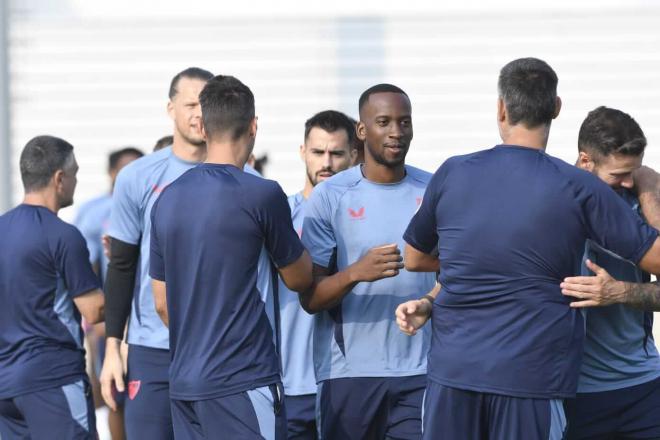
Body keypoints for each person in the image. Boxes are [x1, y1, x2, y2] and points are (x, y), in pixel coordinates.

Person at [397, 57, 660, 440]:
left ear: (501, 108)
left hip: (453, 374)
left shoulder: (452, 171)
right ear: (556, 108)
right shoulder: (578, 186)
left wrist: (449, 286)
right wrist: (650, 190)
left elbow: (414, 257)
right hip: (531, 380)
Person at [149, 74, 312, 439]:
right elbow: (300, 279)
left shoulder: (167, 198)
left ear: (203, 127)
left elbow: (161, 303)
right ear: (254, 127)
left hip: (185, 381)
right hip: (243, 377)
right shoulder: (262, 194)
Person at [300, 84, 435, 439]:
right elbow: (310, 298)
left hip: (420, 372)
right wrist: (357, 273)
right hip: (349, 375)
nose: (396, 132)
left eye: (404, 122)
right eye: (384, 121)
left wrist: (429, 303)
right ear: (362, 130)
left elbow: (455, 272)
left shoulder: (434, 190)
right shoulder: (331, 196)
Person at [99, 67, 214, 439]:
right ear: (171, 109)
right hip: (151, 349)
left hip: (219, 346)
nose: (199, 113)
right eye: (191, 104)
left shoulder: (241, 179)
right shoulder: (137, 177)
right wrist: (113, 347)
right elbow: (121, 265)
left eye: (206, 104)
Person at [556, 107, 660, 439]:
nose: (627, 182)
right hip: (574, 393)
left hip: (643, 387)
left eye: (635, 171)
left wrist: (619, 292)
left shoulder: (641, 202)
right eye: (618, 174)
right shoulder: (549, 203)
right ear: (586, 161)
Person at [0, 135, 105, 439]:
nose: (75, 181)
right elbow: (94, 309)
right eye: (74, 174)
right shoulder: (62, 235)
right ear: (60, 178)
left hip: (6, 384)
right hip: (52, 379)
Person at [280, 110, 357, 439]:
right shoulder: (278, 215)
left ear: (353, 156)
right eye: (318, 152)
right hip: (287, 383)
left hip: (350, 381)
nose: (327, 162)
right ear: (302, 153)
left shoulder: (365, 217)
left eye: (337, 153)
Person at [75, 146, 143, 440]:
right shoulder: (94, 211)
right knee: (114, 393)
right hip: (113, 316)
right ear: (112, 173)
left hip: (147, 316)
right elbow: (86, 267)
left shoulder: (153, 203)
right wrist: (96, 321)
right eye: (125, 169)